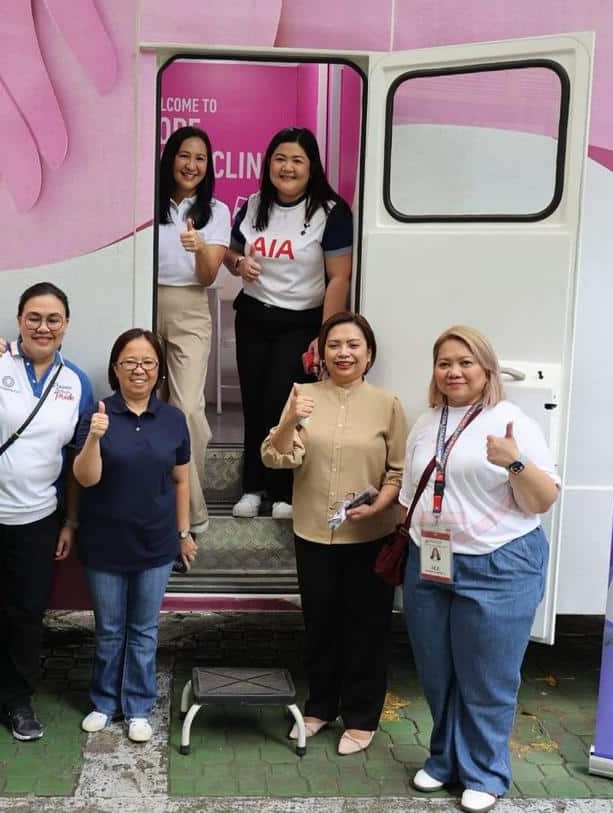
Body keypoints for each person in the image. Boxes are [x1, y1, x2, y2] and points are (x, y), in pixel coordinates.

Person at [399, 326, 560, 813]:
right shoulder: (427, 421)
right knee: (437, 672)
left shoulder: (512, 421)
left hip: (498, 563)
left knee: (487, 678)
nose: (454, 371)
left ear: (486, 368)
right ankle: (445, 759)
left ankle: (485, 773)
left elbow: (542, 499)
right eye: (444, 362)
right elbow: (412, 493)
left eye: (465, 362)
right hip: (429, 560)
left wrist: (514, 463)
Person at [0, 282, 95, 751]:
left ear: (66, 325)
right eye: (34, 317)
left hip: (39, 519)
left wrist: (69, 522)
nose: (43, 327)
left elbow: (76, 460)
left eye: (53, 319)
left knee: (27, 616)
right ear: (19, 320)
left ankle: (17, 701)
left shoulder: (76, 382)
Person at [261, 312, 406, 756]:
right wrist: (290, 421)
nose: (344, 353)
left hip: (371, 535)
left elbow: (398, 471)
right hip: (314, 532)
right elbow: (274, 457)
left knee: (367, 629)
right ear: (321, 354)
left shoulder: (387, 404)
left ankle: (362, 717)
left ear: (369, 354)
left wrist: (381, 504)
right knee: (320, 625)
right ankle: (320, 706)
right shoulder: (302, 396)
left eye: (353, 345)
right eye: (334, 345)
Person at [71, 328, 198, 742]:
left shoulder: (173, 419)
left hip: (156, 542)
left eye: (148, 362)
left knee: (144, 629)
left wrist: (183, 532)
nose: (139, 369)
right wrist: (94, 437)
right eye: (130, 362)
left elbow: (180, 480)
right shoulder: (98, 413)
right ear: (115, 368)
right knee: (109, 629)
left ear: (159, 370)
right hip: (104, 541)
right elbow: (84, 479)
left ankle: (139, 706)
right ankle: (104, 702)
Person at [224, 126, 353, 521]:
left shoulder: (331, 213)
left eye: (297, 160)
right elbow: (230, 254)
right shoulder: (253, 205)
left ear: (311, 166)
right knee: (254, 403)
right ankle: (252, 487)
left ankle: (284, 491)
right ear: (269, 164)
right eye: (280, 159)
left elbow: (339, 278)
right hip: (253, 317)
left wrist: (326, 337)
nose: (287, 167)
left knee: (288, 407)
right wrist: (238, 264)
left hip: (302, 323)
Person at [155, 126, 232, 536]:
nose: (192, 165)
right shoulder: (147, 202)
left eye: (200, 158)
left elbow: (206, 277)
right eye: (185, 155)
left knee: (186, 409)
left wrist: (200, 246)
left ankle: (191, 510)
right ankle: (161, 505)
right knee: (147, 405)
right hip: (143, 301)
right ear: (171, 158)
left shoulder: (215, 211)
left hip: (189, 307)